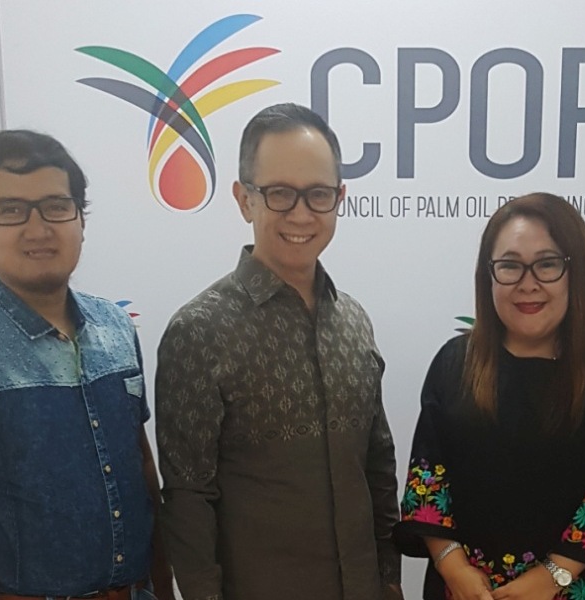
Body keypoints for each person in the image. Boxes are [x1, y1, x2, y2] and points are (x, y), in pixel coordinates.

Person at [0, 130, 171, 600]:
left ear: (80, 219)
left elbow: (141, 471)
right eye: (11, 209)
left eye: (56, 206)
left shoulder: (115, 326)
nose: (38, 229)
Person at [156, 103, 401, 600]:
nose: (301, 214)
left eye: (318, 194)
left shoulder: (353, 321)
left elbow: (377, 467)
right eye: (280, 194)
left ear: (339, 198)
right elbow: (188, 497)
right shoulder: (199, 331)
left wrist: (390, 581)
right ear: (244, 199)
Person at [394, 193, 585, 600]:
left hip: (577, 588)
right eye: (510, 265)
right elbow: (428, 482)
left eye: (547, 264)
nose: (528, 284)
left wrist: (551, 578)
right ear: (488, 274)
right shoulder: (454, 363)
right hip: (467, 591)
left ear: (575, 271)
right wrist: (454, 567)